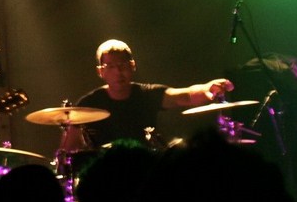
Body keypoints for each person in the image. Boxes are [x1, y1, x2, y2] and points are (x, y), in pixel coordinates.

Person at [58, 39, 236, 152]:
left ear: (132, 65)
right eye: (111, 66)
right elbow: (70, 149)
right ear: (100, 72)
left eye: (123, 65)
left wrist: (207, 87)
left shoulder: (147, 94)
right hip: (107, 172)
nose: (118, 71)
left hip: (146, 167)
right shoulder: (89, 103)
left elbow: (186, 96)